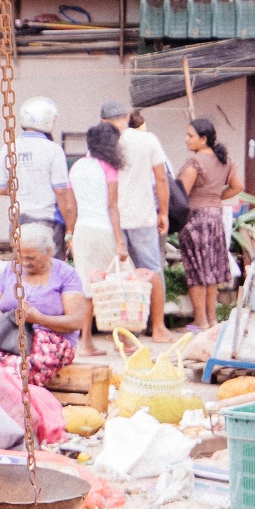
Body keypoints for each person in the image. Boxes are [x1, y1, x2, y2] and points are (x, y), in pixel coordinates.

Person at [0, 222, 86, 384]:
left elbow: (76, 321)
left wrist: (39, 319)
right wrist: (8, 320)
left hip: (51, 341)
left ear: (48, 252)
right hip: (9, 337)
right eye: (20, 257)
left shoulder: (66, 274)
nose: (25, 263)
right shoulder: (11, 269)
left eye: (31, 258)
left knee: (14, 372)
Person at [101, 98, 170, 343]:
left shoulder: (102, 144)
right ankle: (159, 327)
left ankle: (125, 331)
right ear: (128, 116)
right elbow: (161, 179)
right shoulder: (148, 139)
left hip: (113, 219)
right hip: (143, 216)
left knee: (119, 275)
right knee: (152, 270)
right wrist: (163, 212)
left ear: (103, 121)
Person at [177, 118, 242, 329]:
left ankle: (200, 320)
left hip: (195, 219)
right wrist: (216, 198)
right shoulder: (226, 160)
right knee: (211, 269)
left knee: (196, 270)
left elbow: (181, 196)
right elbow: (238, 186)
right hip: (215, 216)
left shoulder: (194, 162)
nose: (186, 140)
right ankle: (212, 319)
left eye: (190, 136)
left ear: (203, 139)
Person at [68, 123, 125, 357]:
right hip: (103, 231)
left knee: (87, 288)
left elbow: (72, 206)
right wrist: (120, 241)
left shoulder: (77, 167)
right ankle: (122, 341)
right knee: (114, 285)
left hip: (82, 231)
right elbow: (112, 207)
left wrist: (70, 234)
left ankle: (85, 343)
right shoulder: (108, 167)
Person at [0, 98, 75, 258]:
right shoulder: (53, 150)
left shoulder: (8, 148)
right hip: (48, 220)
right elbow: (61, 191)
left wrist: (24, 186)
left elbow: (0, 188)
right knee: (49, 270)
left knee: (24, 269)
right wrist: (70, 228)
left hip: (19, 219)